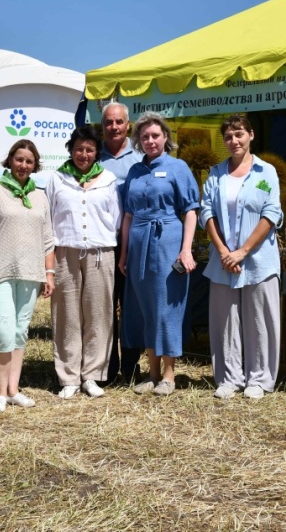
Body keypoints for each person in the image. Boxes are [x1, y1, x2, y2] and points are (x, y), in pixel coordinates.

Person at [200, 115, 282, 400]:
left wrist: (243, 251)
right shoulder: (216, 174)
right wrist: (224, 252)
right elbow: (206, 212)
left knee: (260, 321)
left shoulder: (266, 171)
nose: (234, 141)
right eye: (228, 137)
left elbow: (272, 213)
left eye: (239, 134)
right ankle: (228, 378)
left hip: (258, 260)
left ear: (251, 135)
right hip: (223, 261)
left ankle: (259, 379)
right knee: (225, 321)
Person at [119, 112, 200, 397]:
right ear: (139, 143)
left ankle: (168, 375)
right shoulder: (135, 172)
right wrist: (124, 253)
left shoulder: (178, 168)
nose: (150, 141)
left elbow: (191, 210)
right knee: (146, 308)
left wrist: (186, 249)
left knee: (167, 307)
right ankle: (151, 374)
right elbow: (128, 215)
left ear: (166, 137)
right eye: (145, 137)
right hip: (139, 243)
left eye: (155, 135)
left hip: (167, 240)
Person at [0, 139, 54, 412]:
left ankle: (13, 390)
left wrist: (49, 274)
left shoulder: (40, 196)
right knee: (2, 331)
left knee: (20, 331)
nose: (23, 165)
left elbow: (48, 239)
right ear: (9, 161)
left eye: (29, 161)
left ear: (35, 166)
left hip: (31, 274)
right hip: (0, 274)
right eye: (19, 159)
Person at [46, 126, 120, 399]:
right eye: (79, 149)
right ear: (70, 150)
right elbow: (49, 218)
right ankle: (69, 377)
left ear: (96, 152)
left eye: (89, 149)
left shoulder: (108, 179)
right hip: (65, 252)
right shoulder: (57, 179)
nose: (84, 154)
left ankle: (92, 375)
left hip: (101, 253)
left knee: (99, 315)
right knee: (67, 315)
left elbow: (115, 216)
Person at [98, 102, 143, 384]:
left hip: (134, 242)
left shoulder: (140, 156)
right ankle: (106, 366)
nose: (113, 127)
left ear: (128, 124)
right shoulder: (92, 155)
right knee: (103, 306)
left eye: (118, 122)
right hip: (102, 244)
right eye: (108, 123)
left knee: (130, 306)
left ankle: (130, 365)